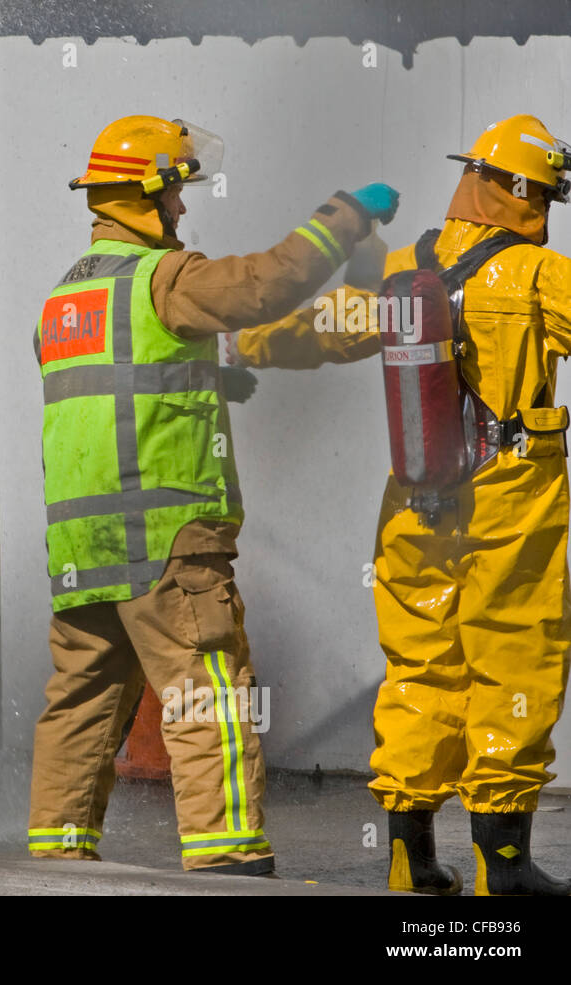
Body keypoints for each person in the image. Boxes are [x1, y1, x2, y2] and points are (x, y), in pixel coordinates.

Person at [28, 114, 396, 873]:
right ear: (145, 198)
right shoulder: (167, 278)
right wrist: (345, 216)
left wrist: (204, 377)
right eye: (176, 194)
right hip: (164, 542)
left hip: (78, 549)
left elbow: (109, 396)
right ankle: (228, 860)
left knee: (79, 707)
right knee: (208, 694)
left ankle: (57, 860)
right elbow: (267, 284)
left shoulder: (63, 299)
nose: (184, 210)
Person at [231, 115, 571, 896]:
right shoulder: (537, 275)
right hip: (510, 502)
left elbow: (323, 328)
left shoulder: (410, 269)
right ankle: (506, 867)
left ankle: (408, 859)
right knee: (512, 657)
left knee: (421, 665)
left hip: (416, 501)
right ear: (525, 193)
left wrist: (239, 345)